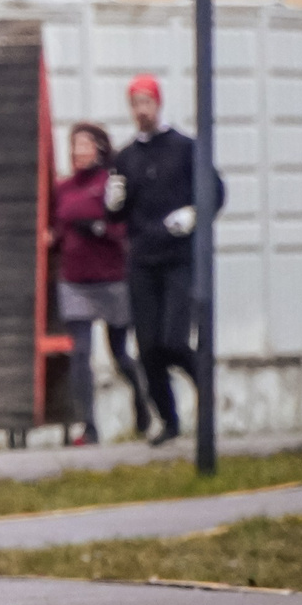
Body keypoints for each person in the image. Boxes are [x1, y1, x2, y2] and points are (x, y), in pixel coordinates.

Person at [106, 74, 224, 445]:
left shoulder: (185, 147)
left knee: (174, 340)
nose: (141, 111)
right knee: (148, 348)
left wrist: (194, 213)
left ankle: (204, 383)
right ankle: (168, 420)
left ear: (158, 104)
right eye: (135, 104)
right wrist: (112, 203)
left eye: (147, 103)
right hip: (142, 260)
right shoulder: (125, 157)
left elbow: (215, 192)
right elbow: (117, 216)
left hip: (177, 258)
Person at [47, 122, 146, 444]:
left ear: (99, 149)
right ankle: (88, 426)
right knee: (80, 354)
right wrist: (51, 238)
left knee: (119, 352)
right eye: (74, 145)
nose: (78, 152)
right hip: (74, 281)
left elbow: (122, 227)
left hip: (110, 279)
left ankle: (143, 399)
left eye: (85, 145)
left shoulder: (109, 184)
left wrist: (100, 229)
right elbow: (57, 227)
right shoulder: (63, 188)